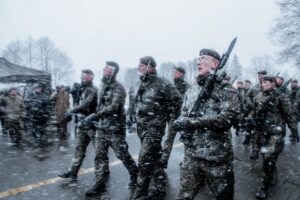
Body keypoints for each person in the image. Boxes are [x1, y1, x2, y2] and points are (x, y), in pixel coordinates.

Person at [173, 49, 240, 200]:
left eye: (203, 58)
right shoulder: (192, 90)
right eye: (198, 59)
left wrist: (192, 123)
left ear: (216, 64)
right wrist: (180, 122)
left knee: (223, 196)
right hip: (192, 155)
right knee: (184, 196)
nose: (198, 61)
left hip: (216, 157)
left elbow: (227, 118)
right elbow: (184, 112)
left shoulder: (225, 89)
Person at [83, 61, 139, 196]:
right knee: (99, 156)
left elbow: (114, 107)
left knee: (122, 155)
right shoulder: (102, 85)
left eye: (107, 68)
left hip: (114, 129)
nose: (103, 69)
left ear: (113, 71)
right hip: (101, 128)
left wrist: (95, 115)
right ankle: (99, 183)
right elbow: (99, 104)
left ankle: (134, 173)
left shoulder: (118, 88)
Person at [131, 56, 182, 199]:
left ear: (151, 67)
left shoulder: (162, 83)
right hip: (142, 127)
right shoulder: (141, 83)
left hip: (154, 127)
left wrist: (169, 115)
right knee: (155, 158)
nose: (138, 67)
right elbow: (138, 103)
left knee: (144, 159)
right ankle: (159, 189)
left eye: (141, 65)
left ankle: (140, 194)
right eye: (139, 65)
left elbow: (178, 100)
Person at [246, 75, 299, 199]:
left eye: (265, 82)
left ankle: (263, 187)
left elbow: (290, 115)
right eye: (261, 82)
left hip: (276, 133)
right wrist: (250, 118)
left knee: (269, 158)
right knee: (266, 158)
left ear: (273, 83)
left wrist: (295, 132)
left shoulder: (281, 96)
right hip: (261, 132)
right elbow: (253, 110)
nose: (262, 84)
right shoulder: (258, 96)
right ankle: (272, 172)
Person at [58, 69, 97, 181]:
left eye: (84, 76)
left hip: (92, 125)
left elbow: (84, 105)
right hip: (82, 124)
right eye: (81, 76)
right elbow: (77, 102)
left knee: (99, 151)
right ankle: (73, 172)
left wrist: (70, 111)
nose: (81, 78)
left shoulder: (92, 90)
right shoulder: (82, 89)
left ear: (90, 77)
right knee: (79, 149)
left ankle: (102, 173)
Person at [161, 66, 190, 168]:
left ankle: (188, 160)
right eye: (174, 72)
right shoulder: (172, 86)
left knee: (187, 139)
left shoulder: (187, 87)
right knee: (169, 139)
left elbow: (187, 103)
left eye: (177, 72)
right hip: (173, 116)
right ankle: (164, 160)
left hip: (182, 117)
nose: (175, 74)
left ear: (182, 74)